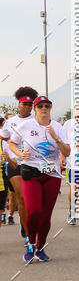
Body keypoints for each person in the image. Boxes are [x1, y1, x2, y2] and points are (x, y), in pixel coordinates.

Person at [7, 96, 70, 263]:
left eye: (47, 106)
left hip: (52, 174)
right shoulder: (25, 125)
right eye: (40, 106)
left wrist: (56, 137)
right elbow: (12, 142)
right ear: (35, 109)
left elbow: (67, 151)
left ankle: (40, 247)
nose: (44, 108)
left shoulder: (57, 126)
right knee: (33, 210)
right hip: (31, 172)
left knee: (46, 215)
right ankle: (30, 244)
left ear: (50, 108)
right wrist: (19, 154)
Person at [0, 87, 38, 246]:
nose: (27, 107)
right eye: (24, 104)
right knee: (21, 197)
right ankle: (29, 235)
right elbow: (3, 137)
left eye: (30, 105)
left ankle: (26, 224)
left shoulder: (36, 120)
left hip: (33, 163)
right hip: (15, 163)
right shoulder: (10, 122)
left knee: (33, 202)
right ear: (19, 105)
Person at [61, 108, 79, 227]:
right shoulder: (68, 124)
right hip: (72, 163)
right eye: (78, 111)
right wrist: (62, 156)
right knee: (74, 190)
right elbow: (63, 142)